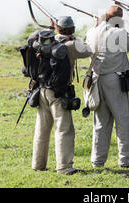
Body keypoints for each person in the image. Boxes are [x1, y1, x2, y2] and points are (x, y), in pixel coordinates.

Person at [32, 16, 92, 175]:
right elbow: (88, 49)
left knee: (42, 130)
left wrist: (53, 30)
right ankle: (65, 167)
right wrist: (74, 36)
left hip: (42, 90)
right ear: (72, 29)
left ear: (57, 28)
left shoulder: (46, 41)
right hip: (59, 92)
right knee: (64, 130)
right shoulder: (71, 44)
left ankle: (38, 164)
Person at [86, 5, 129, 168]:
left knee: (100, 123)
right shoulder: (120, 32)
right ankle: (125, 160)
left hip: (96, 80)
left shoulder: (91, 31)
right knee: (122, 121)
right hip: (114, 79)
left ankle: (97, 161)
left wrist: (99, 24)